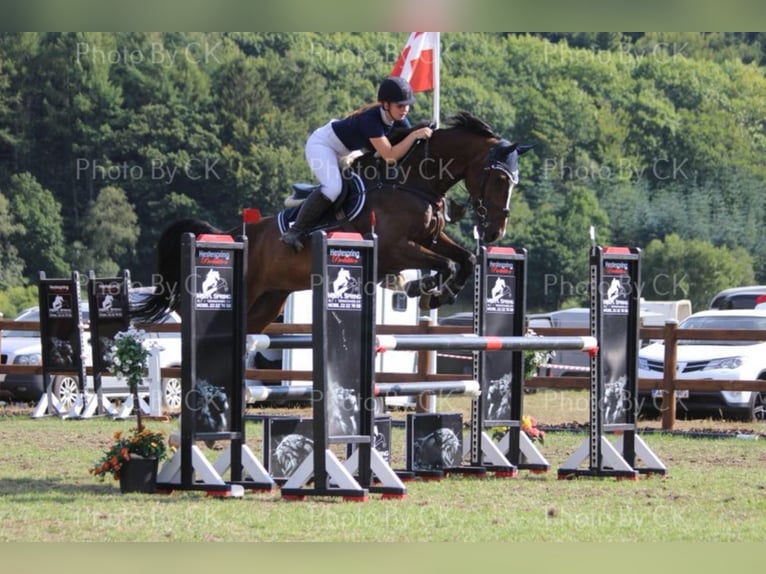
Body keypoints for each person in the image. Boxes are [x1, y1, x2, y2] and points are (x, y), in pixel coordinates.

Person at [280, 76, 433, 252]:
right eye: (400, 105)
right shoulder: (371, 120)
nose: (405, 109)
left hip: (347, 149)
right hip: (322, 145)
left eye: (407, 105)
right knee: (333, 188)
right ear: (385, 105)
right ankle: (294, 231)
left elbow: (404, 150)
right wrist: (415, 135)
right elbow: (390, 155)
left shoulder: (398, 119)